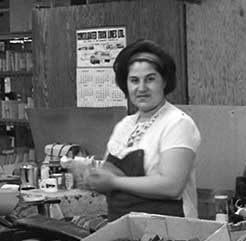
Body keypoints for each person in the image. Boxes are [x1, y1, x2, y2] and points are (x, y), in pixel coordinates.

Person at [84, 39, 201, 220]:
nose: (141, 88)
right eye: (134, 80)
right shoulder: (124, 125)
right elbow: (108, 173)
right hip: (122, 229)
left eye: (150, 79)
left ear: (164, 82)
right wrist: (94, 177)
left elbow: (171, 186)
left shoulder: (177, 123)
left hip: (168, 235)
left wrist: (114, 182)